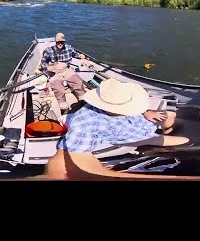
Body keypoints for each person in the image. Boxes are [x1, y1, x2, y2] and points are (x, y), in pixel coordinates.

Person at [43, 77, 190, 179]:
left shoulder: (113, 103)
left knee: (169, 115)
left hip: (136, 121)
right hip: (130, 135)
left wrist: (146, 112)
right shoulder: (85, 124)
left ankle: (166, 148)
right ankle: (169, 153)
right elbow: (61, 163)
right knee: (184, 140)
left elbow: (132, 107)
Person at [40, 33, 87, 114]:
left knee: (78, 82)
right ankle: (64, 107)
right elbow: (43, 62)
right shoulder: (49, 51)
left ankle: (82, 99)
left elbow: (74, 54)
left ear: (64, 42)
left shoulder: (69, 48)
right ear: (55, 42)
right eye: (58, 42)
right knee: (58, 88)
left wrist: (81, 56)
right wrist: (47, 67)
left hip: (66, 70)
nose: (60, 44)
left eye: (61, 42)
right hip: (54, 72)